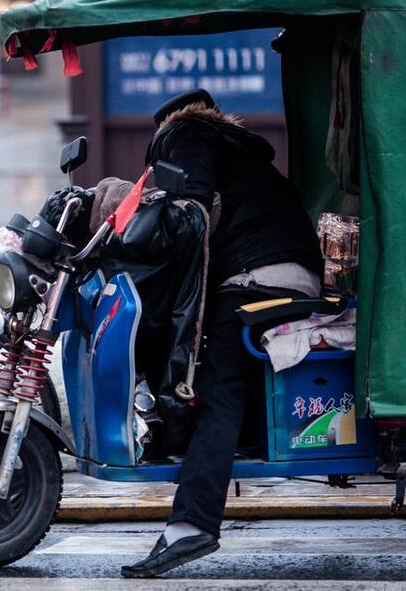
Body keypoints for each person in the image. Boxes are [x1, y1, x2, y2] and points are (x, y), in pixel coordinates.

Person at [122, 88, 322, 579]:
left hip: (258, 277)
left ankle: (192, 525)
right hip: (288, 271)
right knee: (221, 371)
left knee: (217, 392)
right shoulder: (238, 150)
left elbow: (186, 210)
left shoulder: (185, 133)